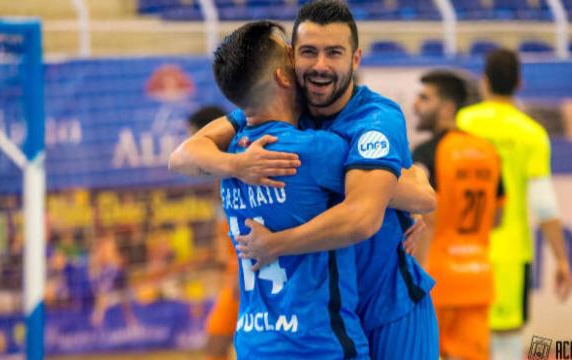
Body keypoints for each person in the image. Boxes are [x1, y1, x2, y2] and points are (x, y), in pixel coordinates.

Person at [169, 1, 439, 358]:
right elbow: (183, 155)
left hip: (388, 304)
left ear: (355, 59)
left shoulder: (375, 119)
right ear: (292, 61)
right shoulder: (280, 115)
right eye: (309, 52)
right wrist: (238, 165)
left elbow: (375, 211)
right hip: (331, 314)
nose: (321, 65)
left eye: (334, 53)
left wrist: (277, 243)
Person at [211, 20, 369, 358]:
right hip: (318, 344)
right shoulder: (317, 149)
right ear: (284, 77)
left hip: (254, 344)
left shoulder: (227, 156)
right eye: (292, 56)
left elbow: (185, 155)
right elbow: (399, 190)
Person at [457, 48, 572, 359]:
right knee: (506, 340)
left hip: (459, 251)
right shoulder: (532, 134)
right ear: (519, 83)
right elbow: (545, 205)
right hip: (509, 254)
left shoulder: (461, 123)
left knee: (456, 339)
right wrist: (562, 259)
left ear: (484, 82)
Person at [412, 70, 504, 360]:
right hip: (478, 278)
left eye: (425, 98)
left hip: (437, 279)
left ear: (448, 107)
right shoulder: (488, 151)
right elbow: (497, 218)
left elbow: (419, 217)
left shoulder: (427, 153)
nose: (416, 104)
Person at [189, 105, 240, 360]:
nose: (191, 146)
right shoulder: (219, 175)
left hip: (243, 277)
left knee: (216, 344)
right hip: (235, 276)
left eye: (193, 137)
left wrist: (236, 275)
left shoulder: (233, 171)